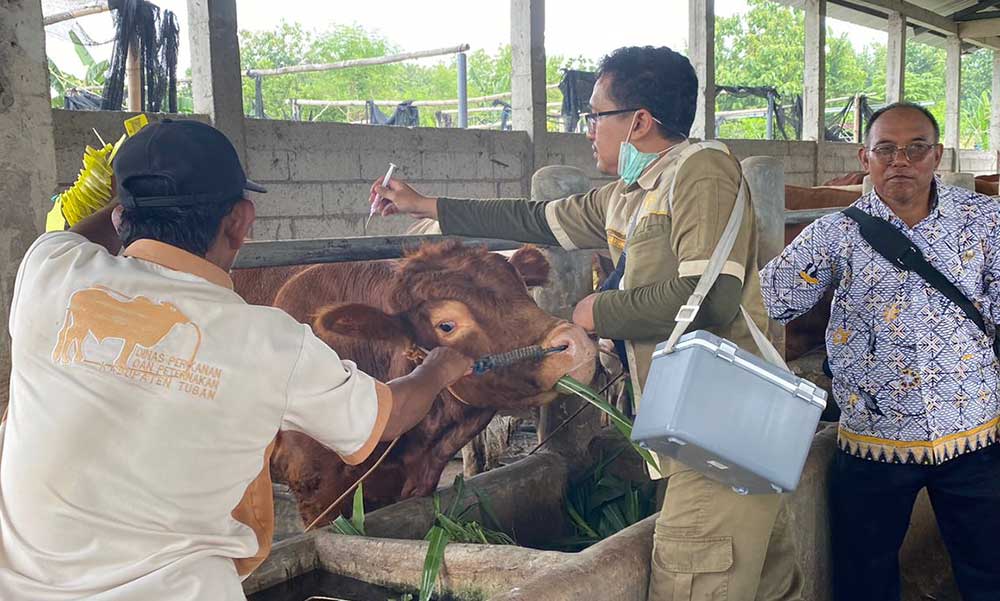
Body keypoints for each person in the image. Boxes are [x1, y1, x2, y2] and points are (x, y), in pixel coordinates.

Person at [371, 45, 803, 601]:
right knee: (762, 580)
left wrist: (593, 311)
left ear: (640, 121)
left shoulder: (701, 171)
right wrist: (427, 205)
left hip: (720, 421)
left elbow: (711, 296)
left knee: (694, 576)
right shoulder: (630, 192)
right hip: (694, 415)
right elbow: (536, 219)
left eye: (595, 115)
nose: (587, 130)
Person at [0, 119, 472, 600]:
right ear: (241, 221)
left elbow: (74, 237)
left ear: (121, 218)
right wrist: (440, 367)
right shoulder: (269, 341)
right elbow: (390, 416)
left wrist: (128, 193)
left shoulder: (48, 271)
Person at [760, 102, 1000, 601]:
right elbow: (770, 299)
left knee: (988, 569)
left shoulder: (985, 220)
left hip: (973, 433)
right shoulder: (835, 232)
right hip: (875, 439)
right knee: (865, 579)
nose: (900, 161)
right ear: (864, 156)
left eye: (916, 149)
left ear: (936, 155)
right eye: (886, 149)